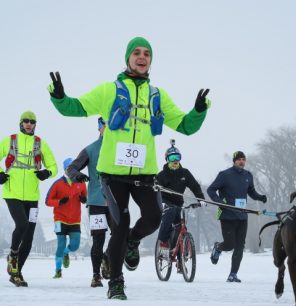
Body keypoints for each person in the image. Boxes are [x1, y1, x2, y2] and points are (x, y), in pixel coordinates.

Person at [47, 36, 211, 299]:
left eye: (147, 53)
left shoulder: (157, 95)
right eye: (136, 52)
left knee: (154, 218)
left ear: (151, 61)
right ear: (127, 58)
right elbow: (76, 108)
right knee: (119, 225)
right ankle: (116, 283)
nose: (142, 56)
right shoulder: (109, 90)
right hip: (112, 175)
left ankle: (133, 241)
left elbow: (185, 126)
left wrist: (199, 111)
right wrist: (59, 97)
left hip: (144, 173)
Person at [0, 111, 57, 287]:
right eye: (26, 121)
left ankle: (17, 273)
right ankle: (13, 256)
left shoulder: (40, 143)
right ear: (20, 123)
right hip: (12, 193)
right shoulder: (10, 140)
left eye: (32, 122)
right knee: (22, 225)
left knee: (30, 236)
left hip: (32, 197)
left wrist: (46, 172)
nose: (29, 124)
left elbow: (53, 166)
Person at [207, 151, 267, 282]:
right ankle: (218, 247)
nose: (242, 161)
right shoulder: (224, 175)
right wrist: (219, 202)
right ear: (234, 161)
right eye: (239, 159)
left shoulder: (248, 175)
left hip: (242, 216)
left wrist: (260, 197)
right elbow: (211, 189)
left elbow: (251, 192)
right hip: (226, 215)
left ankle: (233, 274)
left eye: (243, 159)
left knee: (240, 246)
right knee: (229, 245)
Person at [66, 117, 111, 287]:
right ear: (99, 128)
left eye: (111, 125)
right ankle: (96, 276)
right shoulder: (91, 149)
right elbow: (71, 168)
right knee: (98, 239)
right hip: (97, 202)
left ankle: (107, 257)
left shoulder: (121, 148)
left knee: (121, 237)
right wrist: (77, 176)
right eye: (104, 126)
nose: (107, 129)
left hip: (116, 202)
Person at [157, 140, 205, 270]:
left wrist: (201, 199)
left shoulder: (185, 173)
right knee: (170, 213)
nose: (175, 160)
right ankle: (163, 242)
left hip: (179, 202)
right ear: (167, 159)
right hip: (165, 201)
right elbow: (155, 188)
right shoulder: (162, 175)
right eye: (172, 158)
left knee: (181, 227)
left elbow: (195, 186)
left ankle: (180, 259)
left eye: (177, 157)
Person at [45, 158, 87, 279]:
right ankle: (58, 270)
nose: (74, 171)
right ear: (65, 170)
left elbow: (85, 196)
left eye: (75, 168)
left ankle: (65, 253)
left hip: (75, 219)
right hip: (60, 219)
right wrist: (59, 202)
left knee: (75, 245)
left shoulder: (81, 183)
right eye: (70, 168)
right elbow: (47, 201)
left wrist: (84, 199)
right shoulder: (57, 184)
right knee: (61, 244)